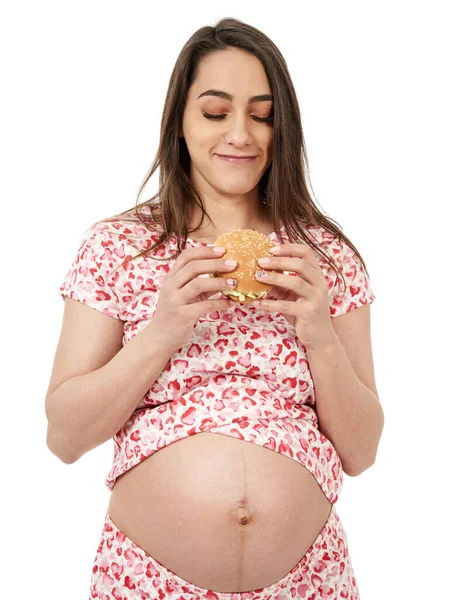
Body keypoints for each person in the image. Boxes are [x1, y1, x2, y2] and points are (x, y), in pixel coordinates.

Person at [45, 17, 384, 600]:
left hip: (309, 581)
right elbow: (65, 437)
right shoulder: (118, 247)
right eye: (214, 111)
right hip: (147, 579)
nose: (241, 134)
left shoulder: (325, 257)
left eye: (262, 113)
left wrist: (320, 334)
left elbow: (362, 451)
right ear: (179, 121)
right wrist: (163, 331)